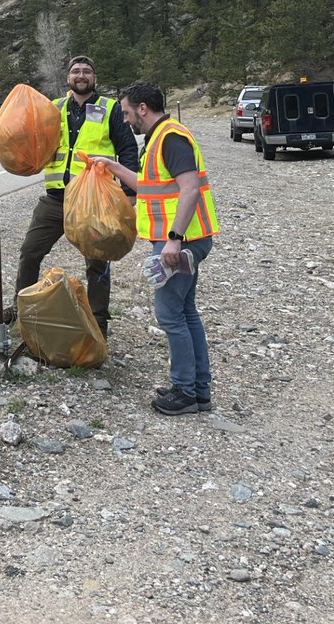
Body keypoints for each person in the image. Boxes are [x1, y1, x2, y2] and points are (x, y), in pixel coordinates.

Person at [94, 81, 220, 416]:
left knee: (169, 314)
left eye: (126, 112)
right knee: (185, 312)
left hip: (181, 241)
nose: (125, 119)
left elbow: (190, 188)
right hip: (183, 238)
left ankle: (186, 391)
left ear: (143, 109)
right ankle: (198, 390)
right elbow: (149, 187)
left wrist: (174, 239)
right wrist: (113, 165)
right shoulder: (158, 139)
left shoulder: (171, 138)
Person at [7, 56, 139, 338]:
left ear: (94, 77)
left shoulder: (110, 109)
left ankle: (99, 320)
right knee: (30, 252)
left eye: (87, 71)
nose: (81, 75)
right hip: (56, 199)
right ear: (68, 77)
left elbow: (128, 149)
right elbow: (32, 141)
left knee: (97, 261)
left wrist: (129, 194)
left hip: (92, 201)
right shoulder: (53, 109)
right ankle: (20, 307)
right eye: (76, 71)